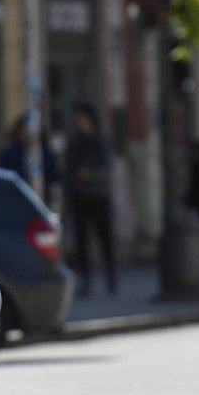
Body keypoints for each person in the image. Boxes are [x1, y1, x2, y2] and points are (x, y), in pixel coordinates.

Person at [64, 103, 116, 296]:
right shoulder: (75, 141)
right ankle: (86, 279)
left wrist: (91, 174)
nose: (78, 122)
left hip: (99, 196)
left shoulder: (101, 140)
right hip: (80, 196)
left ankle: (111, 276)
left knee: (105, 238)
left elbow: (107, 167)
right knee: (82, 241)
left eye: (81, 118)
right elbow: (68, 169)